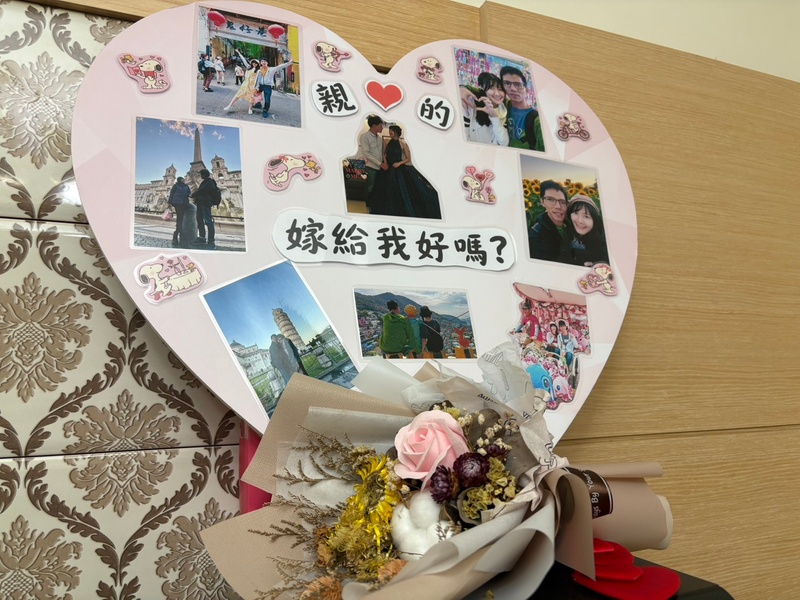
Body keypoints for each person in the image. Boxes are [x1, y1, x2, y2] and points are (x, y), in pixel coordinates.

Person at [369, 125, 441, 219]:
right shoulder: (386, 141)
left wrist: (399, 163)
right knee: (384, 189)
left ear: (396, 132)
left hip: (398, 168)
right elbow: (384, 154)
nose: (390, 132)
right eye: (390, 130)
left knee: (401, 190)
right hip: (387, 168)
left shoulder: (403, 144)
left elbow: (408, 158)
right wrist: (385, 162)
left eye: (392, 131)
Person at [499, 65, 543, 151]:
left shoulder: (537, 120)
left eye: (518, 84)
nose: (513, 89)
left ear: (527, 90)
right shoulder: (504, 106)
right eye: (507, 83)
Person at [559, 195, 610, 266]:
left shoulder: (602, 245)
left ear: (595, 220)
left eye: (586, 216)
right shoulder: (567, 233)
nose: (580, 221)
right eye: (576, 213)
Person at [464, 72, 509, 145]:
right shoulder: (471, 104)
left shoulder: (503, 111)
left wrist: (494, 117)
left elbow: (504, 143)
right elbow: (464, 135)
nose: (497, 93)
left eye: (500, 89)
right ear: (482, 89)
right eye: (491, 88)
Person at [529, 180, 569, 261]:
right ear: (542, 202)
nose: (558, 206)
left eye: (562, 202)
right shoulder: (536, 236)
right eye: (550, 200)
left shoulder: (574, 225)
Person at [357, 115, 387, 202]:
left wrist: (384, 163)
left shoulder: (379, 138)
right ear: (374, 126)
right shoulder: (364, 136)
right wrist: (380, 164)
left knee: (377, 188)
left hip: (380, 167)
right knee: (370, 187)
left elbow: (382, 153)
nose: (382, 128)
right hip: (370, 167)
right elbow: (366, 153)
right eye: (380, 126)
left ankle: (374, 205)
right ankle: (368, 204)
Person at [255, 52, 292, 119]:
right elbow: (257, 79)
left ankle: (265, 111)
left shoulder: (271, 69)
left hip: (267, 86)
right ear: (260, 63)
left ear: (267, 63)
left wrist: (289, 63)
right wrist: (257, 87)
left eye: (265, 61)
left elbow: (280, 66)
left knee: (267, 99)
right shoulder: (259, 70)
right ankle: (258, 104)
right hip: (260, 85)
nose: (263, 62)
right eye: (262, 61)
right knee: (254, 94)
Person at [189, 168, 219, 249]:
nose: (200, 176)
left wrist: (194, 194)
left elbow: (202, 191)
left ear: (204, 175)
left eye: (201, 174)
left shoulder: (209, 182)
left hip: (205, 204)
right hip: (200, 203)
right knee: (199, 220)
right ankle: (202, 238)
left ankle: (211, 241)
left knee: (208, 222)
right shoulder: (204, 182)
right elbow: (201, 191)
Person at [167, 176, 191, 247]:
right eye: (183, 179)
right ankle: (177, 235)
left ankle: (178, 234)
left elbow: (189, 193)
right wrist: (169, 202)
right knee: (180, 219)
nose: (184, 180)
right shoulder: (176, 185)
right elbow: (172, 193)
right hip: (177, 203)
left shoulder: (186, 186)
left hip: (184, 204)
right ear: (180, 180)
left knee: (181, 219)